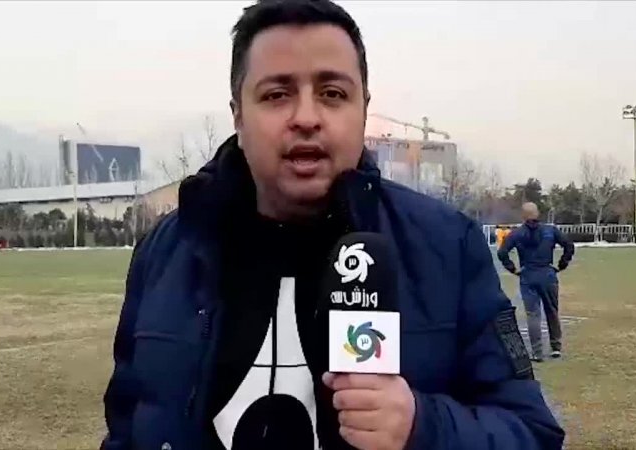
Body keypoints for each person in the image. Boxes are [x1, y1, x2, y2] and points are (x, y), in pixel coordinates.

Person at [102, 1, 564, 449]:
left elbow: (532, 431)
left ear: (363, 109)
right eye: (277, 94)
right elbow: (126, 428)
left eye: (332, 94)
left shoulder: (447, 245)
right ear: (238, 116)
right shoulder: (167, 251)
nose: (306, 118)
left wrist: (422, 425)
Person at [497, 203, 575, 363]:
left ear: (523, 215)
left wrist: (513, 269)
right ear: (537, 213)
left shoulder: (517, 233)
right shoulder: (550, 231)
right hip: (547, 273)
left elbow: (502, 252)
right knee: (552, 311)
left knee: (533, 315)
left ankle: (537, 352)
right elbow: (569, 245)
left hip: (528, 275)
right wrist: (562, 264)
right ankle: (556, 347)